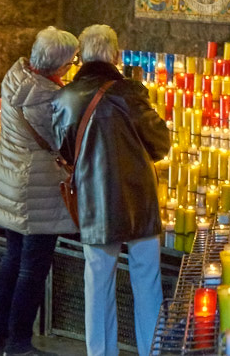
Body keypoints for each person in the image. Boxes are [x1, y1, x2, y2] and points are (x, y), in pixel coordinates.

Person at [51, 25, 170, 356]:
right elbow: (161, 145)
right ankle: (152, 350)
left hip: (95, 203)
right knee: (147, 283)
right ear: (116, 55)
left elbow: (62, 151)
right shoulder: (131, 93)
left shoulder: (66, 98)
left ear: (82, 57)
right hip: (139, 202)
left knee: (98, 286)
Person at [0, 26, 80, 356]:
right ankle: (19, 342)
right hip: (37, 191)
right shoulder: (49, 101)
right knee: (32, 269)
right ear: (62, 65)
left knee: (12, 259)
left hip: (9, 180)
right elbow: (64, 144)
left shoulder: (15, 77)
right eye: (71, 61)